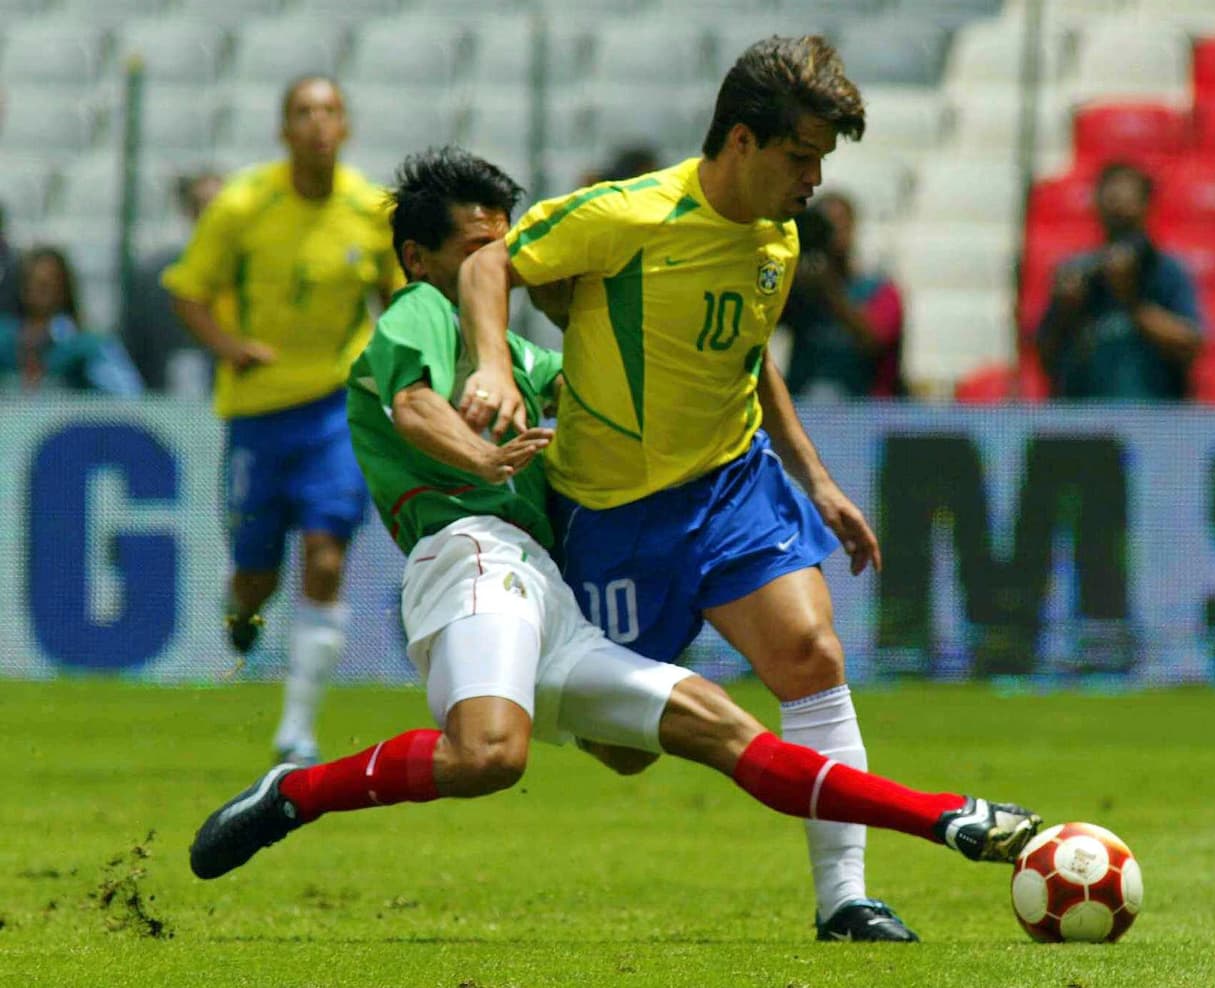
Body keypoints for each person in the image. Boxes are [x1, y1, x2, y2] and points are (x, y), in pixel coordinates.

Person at [188, 147, 1041, 896]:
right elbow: (414, 407)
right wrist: (481, 459)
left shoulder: (530, 360)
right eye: (480, 248)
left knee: (715, 728)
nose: (504, 260)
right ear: (419, 257)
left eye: (507, 239)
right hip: (473, 556)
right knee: (491, 757)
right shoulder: (421, 313)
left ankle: (950, 820)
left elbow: (693, 378)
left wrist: (783, 455)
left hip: (545, 591)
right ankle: (296, 792)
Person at [457, 36, 920, 941]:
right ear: (741, 141)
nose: (814, 179)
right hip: (615, 512)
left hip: (732, 483)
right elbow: (488, 264)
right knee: (620, 752)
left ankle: (846, 900)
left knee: (811, 657)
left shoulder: (778, 239)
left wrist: (815, 479)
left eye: (823, 160)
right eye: (801, 156)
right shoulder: (629, 214)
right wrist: (495, 368)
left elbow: (748, 360)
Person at [163, 75, 403, 765]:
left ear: (346, 126)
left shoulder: (368, 210)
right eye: (304, 113)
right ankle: (240, 610)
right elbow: (188, 291)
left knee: (325, 557)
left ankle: (296, 729)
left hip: (336, 408)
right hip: (260, 413)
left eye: (329, 112)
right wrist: (229, 347)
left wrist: (398, 373)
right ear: (284, 130)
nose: (318, 125)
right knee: (255, 579)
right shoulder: (243, 205)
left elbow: (399, 298)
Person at [1037, 161, 1203, 399]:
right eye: (1110, 196)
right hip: (1085, 417)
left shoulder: (1165, 269)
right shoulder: (1077, 270)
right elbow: (1046, 355)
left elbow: (1189, 344)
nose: (1117, 205)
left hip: (1154, 419)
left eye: (1126, 198)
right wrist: (1065, 311)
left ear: (1146, 205)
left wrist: (1131, 299)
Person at [783, 192, 904, 398]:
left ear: (853, 228)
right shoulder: (798, 288)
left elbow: (873, 341)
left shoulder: (880, 289)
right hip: (801, 404)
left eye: (840, 224)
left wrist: (829, 290)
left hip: (862, 409)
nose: (833, 233)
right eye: (825, 225)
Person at [124, 169, 224, 395]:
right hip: (166, 401)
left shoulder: (249, 273)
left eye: (219, 208)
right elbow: (135, 342)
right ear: (188, 211)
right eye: (202, 207)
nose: (210, 216)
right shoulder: (154, 277)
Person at [0, 246, 143, 395]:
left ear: (63, 289)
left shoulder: (87, 345)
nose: (38, 292)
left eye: (47, 286)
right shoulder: (5, 338)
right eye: (33, 283)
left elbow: (128, 394)